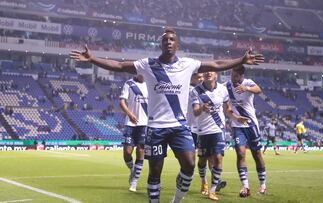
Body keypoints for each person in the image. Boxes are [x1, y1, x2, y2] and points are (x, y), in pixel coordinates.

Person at [70, 27, 264, 203]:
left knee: (189, 166)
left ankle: (175, 201)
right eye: (165, 40)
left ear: (177, 44)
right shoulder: (148, 64)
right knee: (155, 171)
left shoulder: (188, 64)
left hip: (180, 126)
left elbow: (216, 63)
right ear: (161, 44)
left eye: (172, 40)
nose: (169, 42)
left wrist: (241, 60)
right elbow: (120, 66)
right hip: (155, 127)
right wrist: (92, 59)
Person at [191, 71, 249, 201]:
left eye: (210, 71)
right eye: (205, 72)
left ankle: (212, 190)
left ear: (216, 75)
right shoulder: (196, 91)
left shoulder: (223, 90)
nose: (208, 73)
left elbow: (226, 109)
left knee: (218, 158)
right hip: (203, 130)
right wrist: (201, 108)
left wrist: (236, 118)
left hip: (218, 129)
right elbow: (195, 112)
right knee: (202, 160)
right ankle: (203, 181)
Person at [224, 65, 266, 197]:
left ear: (242, 76)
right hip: (237, 125)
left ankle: (263, 184)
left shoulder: (248, 82)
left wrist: (246, 88)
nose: (233, 78)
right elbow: (226, 106)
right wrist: (235, 117)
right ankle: (245, 187)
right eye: (232, 75)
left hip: (251, 124)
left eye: (236, 76)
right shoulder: (227, 85)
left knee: (257, 154)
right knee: (240, 154)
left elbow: (259, 90)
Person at [119, 74, 148, 192]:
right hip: (130, 123)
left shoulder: (150, 84)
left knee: (141, 150)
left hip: (145, 123)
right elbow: (122, 102)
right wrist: (130, 114)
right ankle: (132, 170)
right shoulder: (129, 83)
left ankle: (134, 182)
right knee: (127, 152)